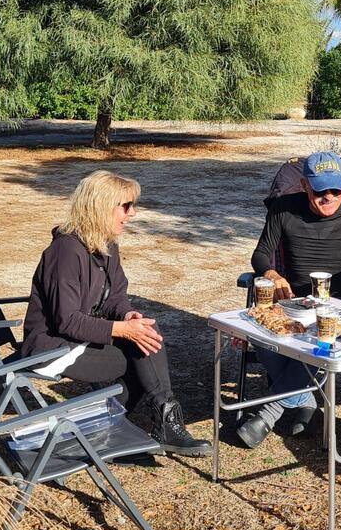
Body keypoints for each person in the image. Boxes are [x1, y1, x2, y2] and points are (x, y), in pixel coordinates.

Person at [21, 171, 211, 456]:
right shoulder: (65, 252)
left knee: (146, 339)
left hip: (80, 338)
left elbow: (116, 296)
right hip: (52, 347)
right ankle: (146, 424)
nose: (132, 213)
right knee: (143, 355)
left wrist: (127, 315)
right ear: (100, 207)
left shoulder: (106, 245)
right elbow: (66, 320)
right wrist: (120, 330)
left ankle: (112, 426)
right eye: (125, 206)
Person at [238, 151, 341, 449]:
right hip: (293, 304)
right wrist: (271, 273)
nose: (329, 196)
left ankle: (270, 411)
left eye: (336, 190)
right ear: (304, 185)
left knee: (322, 335)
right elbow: (260, 254)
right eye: (320, 190)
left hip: (340, 308)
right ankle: (305, 400)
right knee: (260, 334)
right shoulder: (283, 209)